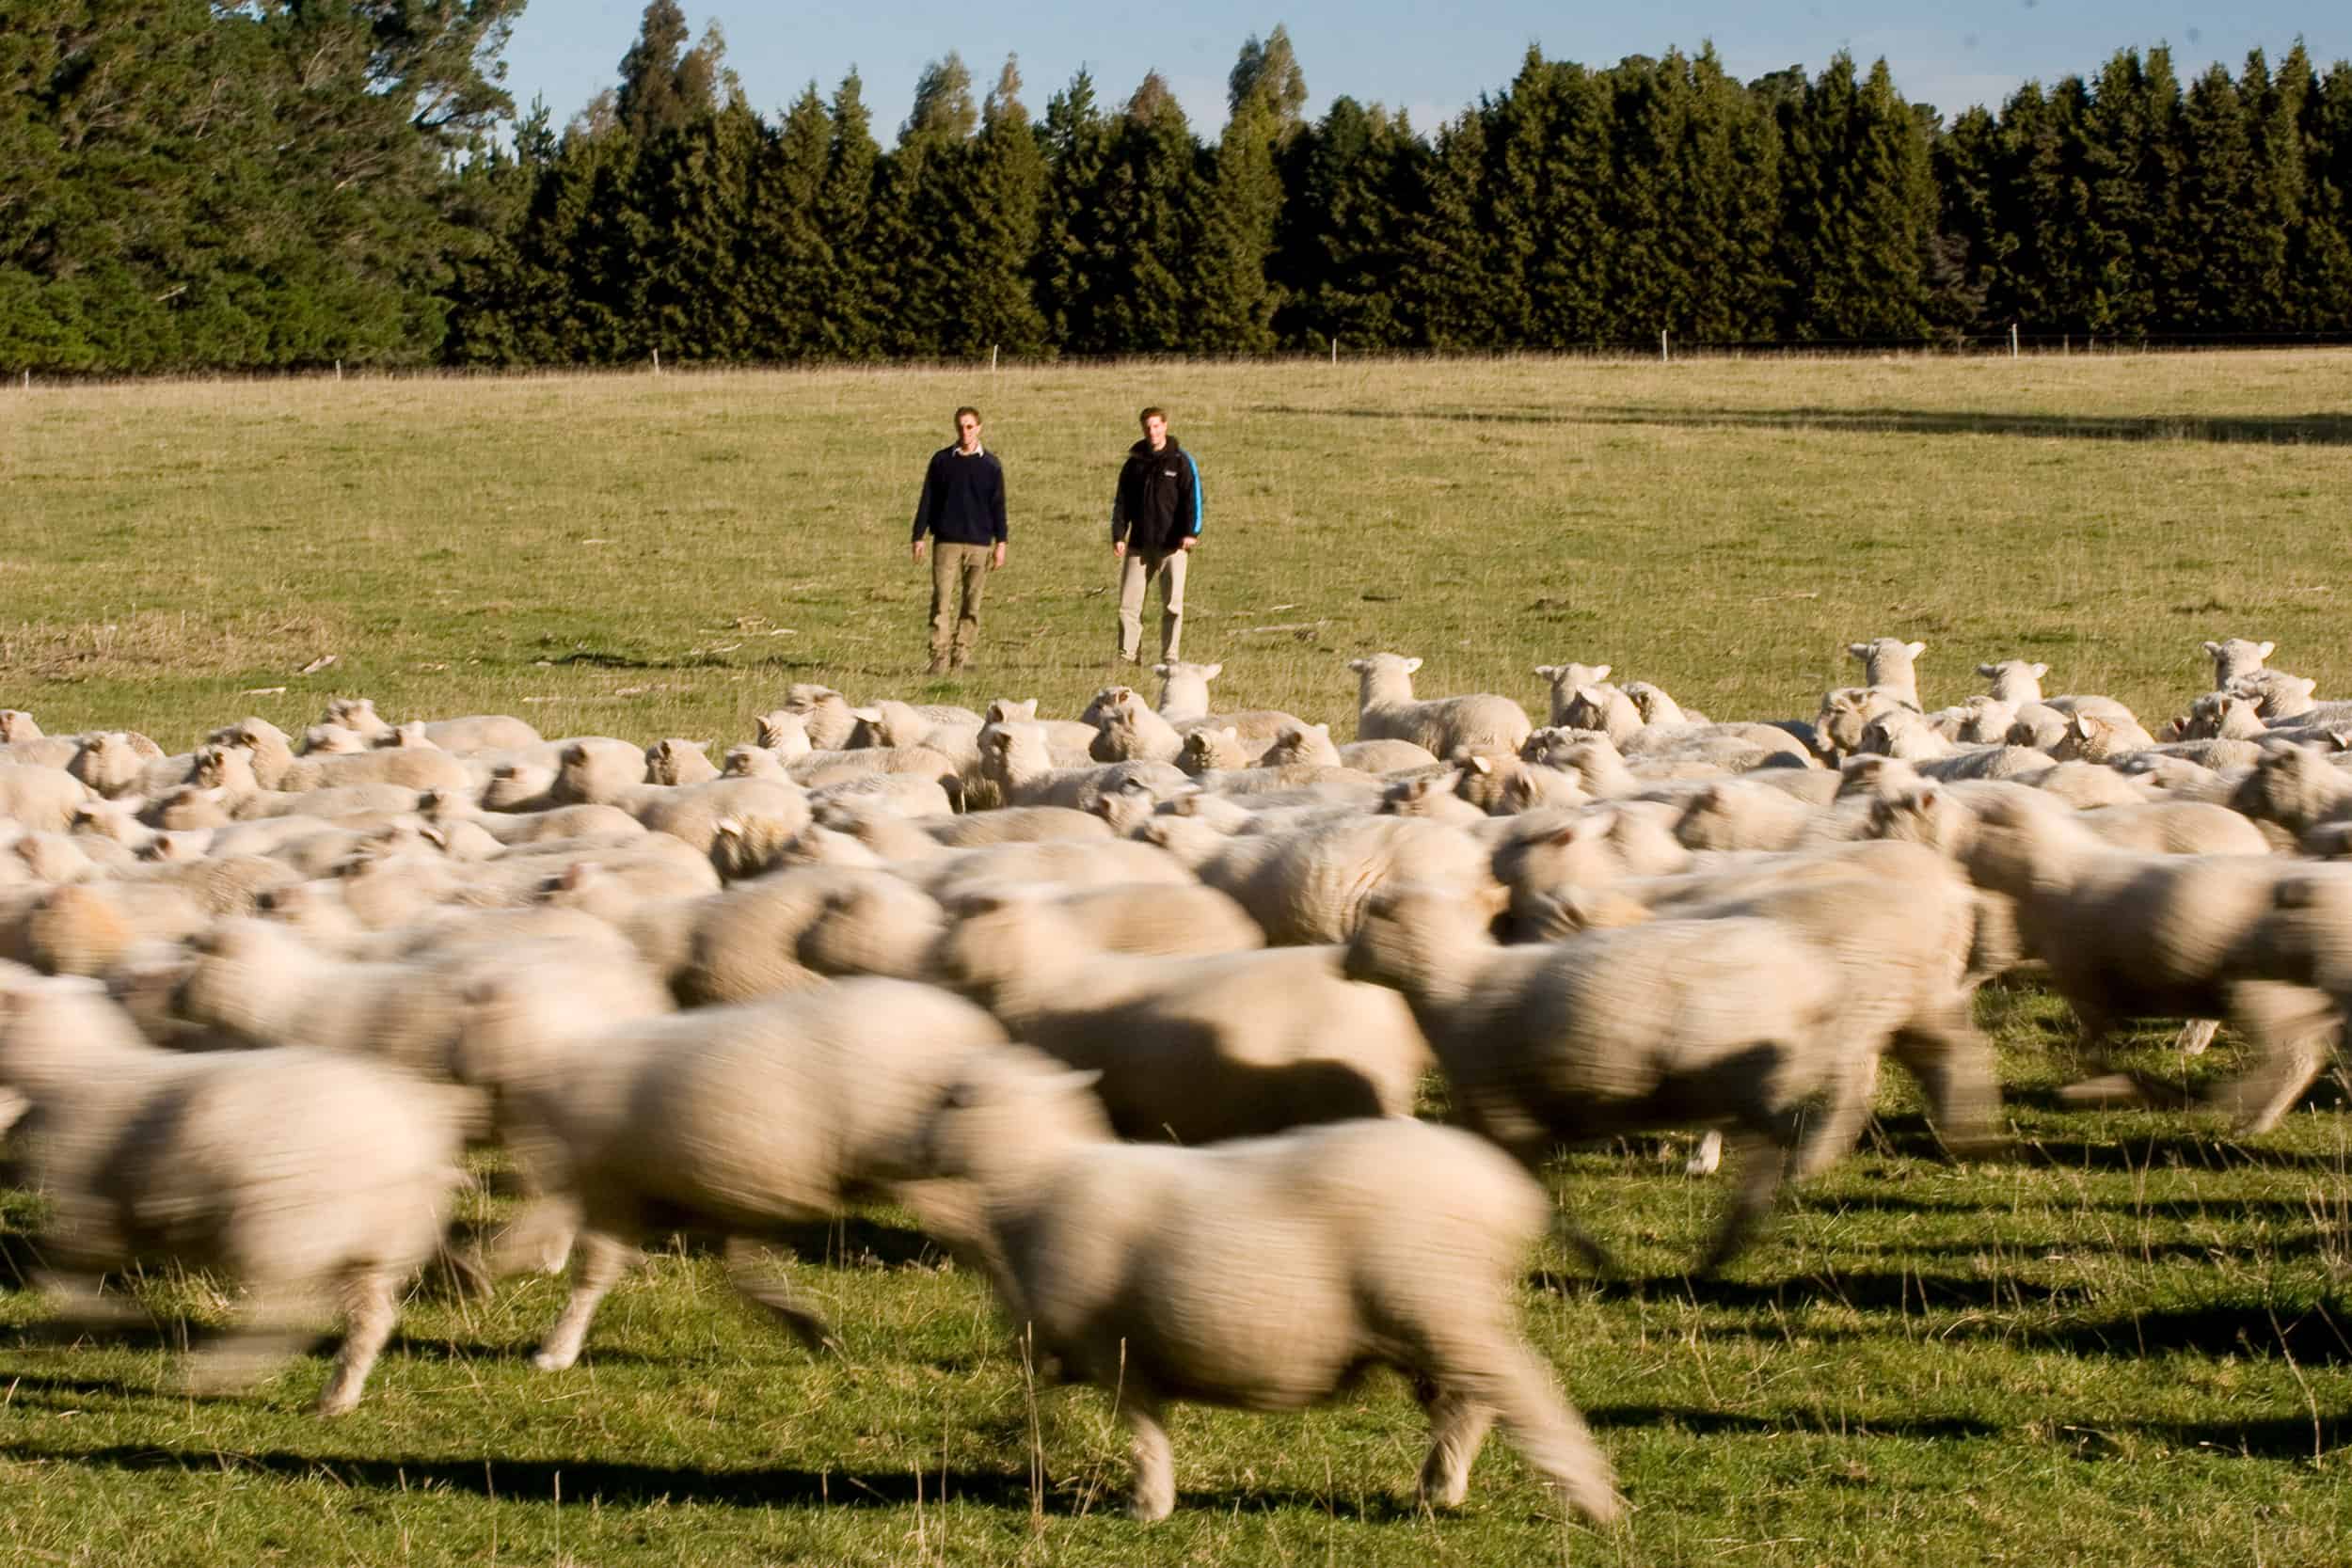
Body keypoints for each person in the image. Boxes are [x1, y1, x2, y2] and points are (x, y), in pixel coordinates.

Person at [910, 405, 1007, 674]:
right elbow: (927, 499)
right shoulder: (941, 461)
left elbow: (998, 506)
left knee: (972, 603)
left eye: (970, 426)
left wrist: (1001, 543)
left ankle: (961, 654)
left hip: (979, 544)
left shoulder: (991, 465)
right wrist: (918, 535)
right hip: (946, 543)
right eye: (961, 426)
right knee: (941, 600)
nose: (965, 432)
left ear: (979, 428)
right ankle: (938, 657)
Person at [1109, 406, 1202, 664]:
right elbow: (1121, 502)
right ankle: (1127, 655)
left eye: (1156, 426)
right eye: (1148, 427)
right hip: (1138, 545)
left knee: (1172, 606)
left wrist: (1191, 533)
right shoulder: (1134, 463)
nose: (1152, 432)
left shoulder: (1182, 461)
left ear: (1165, 426)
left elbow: (1193, 500)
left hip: (1172, 546)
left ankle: (1169, 656)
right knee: (1128, 606)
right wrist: (1118, 535)